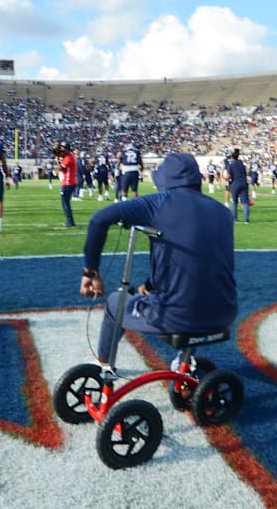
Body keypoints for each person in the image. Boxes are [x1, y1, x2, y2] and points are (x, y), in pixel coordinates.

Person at [79, 153, 237, 365]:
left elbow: (99, 220)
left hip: (176, 315)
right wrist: (151, 284)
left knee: (115, 303)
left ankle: (104, 366)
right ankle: (184, 362)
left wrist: (91, 272)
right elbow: (199, 257)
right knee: (195, 295)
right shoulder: (222, 211)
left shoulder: (159, 203)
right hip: (225, 311)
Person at [54, 141, 77, 228]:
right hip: (68, 182)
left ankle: (70, 222)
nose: (62, 150)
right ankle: (70, 221)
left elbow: (60, 168)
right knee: (65, 203)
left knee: (65, 203)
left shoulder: (69, 158)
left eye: (63, 148)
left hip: (68, 183)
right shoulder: (68, 156)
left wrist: (57, 162)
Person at [226, 148, 250, 223]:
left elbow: (228, 176)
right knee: (245, 202)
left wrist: (224, 178)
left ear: (232, 157)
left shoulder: (231, 165)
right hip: (244, 183)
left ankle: (235, 218)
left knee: (234, 201)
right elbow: (247, 173)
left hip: (235, 183)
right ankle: (246, 219)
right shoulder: (241, 164)